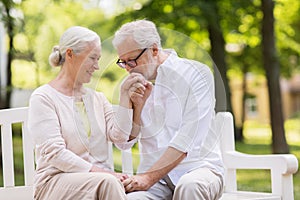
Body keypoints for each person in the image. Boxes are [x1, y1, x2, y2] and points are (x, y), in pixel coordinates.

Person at [27, 26, 151, 200]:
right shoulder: (43, 98)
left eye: (98, 59)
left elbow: (122, 139)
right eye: (93, 58)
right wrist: (105, 173)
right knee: (109, 183)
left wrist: (126, 98)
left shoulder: (97, 99)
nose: (97, 66)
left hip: (99, 181)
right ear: (70, 54)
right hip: (55, 183)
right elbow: (55, 153)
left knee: (134, 191)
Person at [112, 19, 224, 200]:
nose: (128, 69)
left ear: (154, 50)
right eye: (123, 62)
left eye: (132, 60)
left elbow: (187, 139)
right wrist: (133, 105)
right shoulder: (133, 85)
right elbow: (124, 143)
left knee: (189, 187)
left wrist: (147, 177)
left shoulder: (196, 74)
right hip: (157, 181)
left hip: (198, 169)